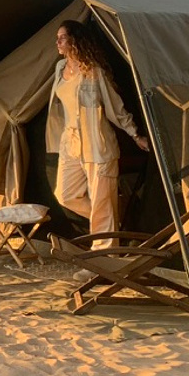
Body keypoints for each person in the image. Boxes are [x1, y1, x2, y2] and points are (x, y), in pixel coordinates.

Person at [46, 19, 149, 247]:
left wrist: (135, 134)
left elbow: (115, 107)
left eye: (62, 38)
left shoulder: (93, 72)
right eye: (57, 38)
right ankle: (115, 214)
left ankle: (105, 256)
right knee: (65, 194)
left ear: (74, 41)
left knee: (102, 204)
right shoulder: (60, 69)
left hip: (97, 145)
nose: (58, 42)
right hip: (70, 144)